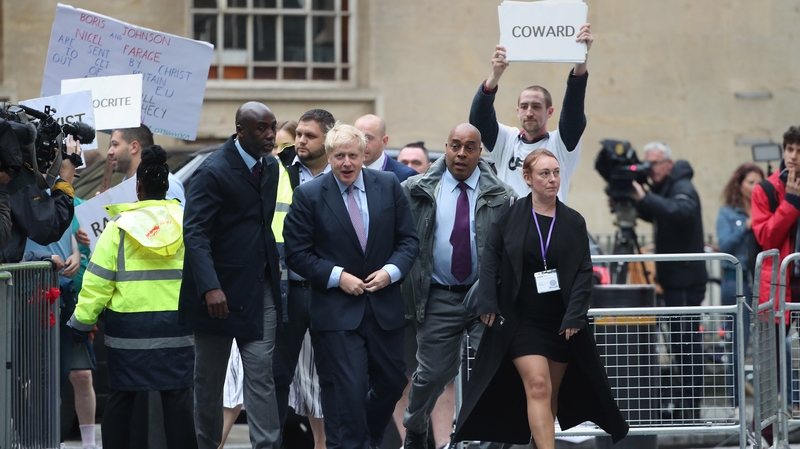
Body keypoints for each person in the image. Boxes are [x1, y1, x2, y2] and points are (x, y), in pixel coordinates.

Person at [453, 149, 628, 448]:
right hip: (521, 321)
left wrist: (575, 315)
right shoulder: (511, 218)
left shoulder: (573, 221)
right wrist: (487, 302)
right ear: (528, 178)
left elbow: (584, 271)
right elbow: (490, 259)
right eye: (544, 174)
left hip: (559, 323)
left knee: (550, 396)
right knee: (537, 385)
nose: (552, 179)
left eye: (556, 172)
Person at [284, 123, 419, 449]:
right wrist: (336, 276)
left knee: (392, 382)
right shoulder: (309, 195)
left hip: (383, 306)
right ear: (329, 157)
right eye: (340, 156)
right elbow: (296, 253)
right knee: (349, 387)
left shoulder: (387, 185)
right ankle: (354, 444)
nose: (347, 163)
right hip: (337, 312)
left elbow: (409, 241)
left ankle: (363, 438)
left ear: (365, 155)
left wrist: (391, 271)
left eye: (353, 156)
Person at [68, 145, 195, 449]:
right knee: (178, 402)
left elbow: (98, 282)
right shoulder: (186, 223)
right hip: (176, 328)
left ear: (138, 187)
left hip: (128, 332)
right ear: (166, 186)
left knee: (122, 399)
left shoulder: (118, 229)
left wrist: (80, 323)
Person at [400, 124, 516, 449]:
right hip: (438, 296)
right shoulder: (416, 189)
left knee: (495, 372)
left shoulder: (503, 196)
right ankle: (416, 427)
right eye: (455, 146)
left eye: (469, 147)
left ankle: (494, 438)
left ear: (480, 153)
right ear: (446, 147)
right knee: (432, 375)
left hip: (486, 299)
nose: (461, 154)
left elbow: (514, 251)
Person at [179, 101, 283, 449]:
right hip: (217, 295)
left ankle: (266, 445)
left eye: (272, 127)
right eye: (261, 129)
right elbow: (195, 233)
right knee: (209, 382)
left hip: (259, 289)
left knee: (260, 375)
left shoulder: (272, 168)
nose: (270, 135)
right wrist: (210, 287)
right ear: (240, 131)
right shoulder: (212, 171)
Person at [469, 24, 593, 202]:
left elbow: (573, 113)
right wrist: (494, 76)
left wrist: (581, 60)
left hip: (547, 228)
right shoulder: (506, 142)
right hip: (510, 228)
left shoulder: (561, 145)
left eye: (536, 106)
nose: (529, 112)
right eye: (524, 106)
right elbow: (478, 120)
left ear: (550, 111)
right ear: (517, 111)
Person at [271, 110, 336, 447]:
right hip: (288, 288)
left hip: (330, 289)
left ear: (328, 138)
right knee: (278, 373)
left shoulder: (344, 172)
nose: (300, 141)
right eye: (299, 135)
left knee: (329, 375)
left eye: (309, 136)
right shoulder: (279, 169)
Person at [631, 141, 707, 421]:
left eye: (655, 164)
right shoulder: (667, 188)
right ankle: (683, 407)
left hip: (685, 282)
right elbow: (657, 213)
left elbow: (680, 212)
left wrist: (644, 198)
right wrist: (631, 202)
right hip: (676, 281)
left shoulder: (682, 186)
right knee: (678, 345)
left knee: (687, 346)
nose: (650, 169)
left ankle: (689, 410)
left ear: (668, 164)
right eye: (647, 163)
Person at [752, 125, 800, 446]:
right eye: (790, 150)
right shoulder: (767, 190)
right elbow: (766, 236)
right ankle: (765, 433)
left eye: (799, 151)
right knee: (771, 366)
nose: (794, 157)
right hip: (780, 285)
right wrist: (792, 200)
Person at [717, 163, 764, 383]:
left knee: (767, 340)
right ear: (739, 184)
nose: (755, 187)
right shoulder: (727, 213)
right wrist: (745, 225)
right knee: (737, 341)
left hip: (760, 279)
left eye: (759, 182)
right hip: (734, 281)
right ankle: (736, 402)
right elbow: (724, 244)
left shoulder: (766, 210)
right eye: (750, 182)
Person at [107, 124, 186, 206]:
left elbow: (177, 217)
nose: (109, 151)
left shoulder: (164, 182)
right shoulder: (125, 185)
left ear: (134, 147)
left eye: (115, 144)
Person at [354, 114, 418, 182]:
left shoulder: (406, 176)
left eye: (368, 138)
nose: (362, 144)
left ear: (384, 141)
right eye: (357, 138)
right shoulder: (345, 172)